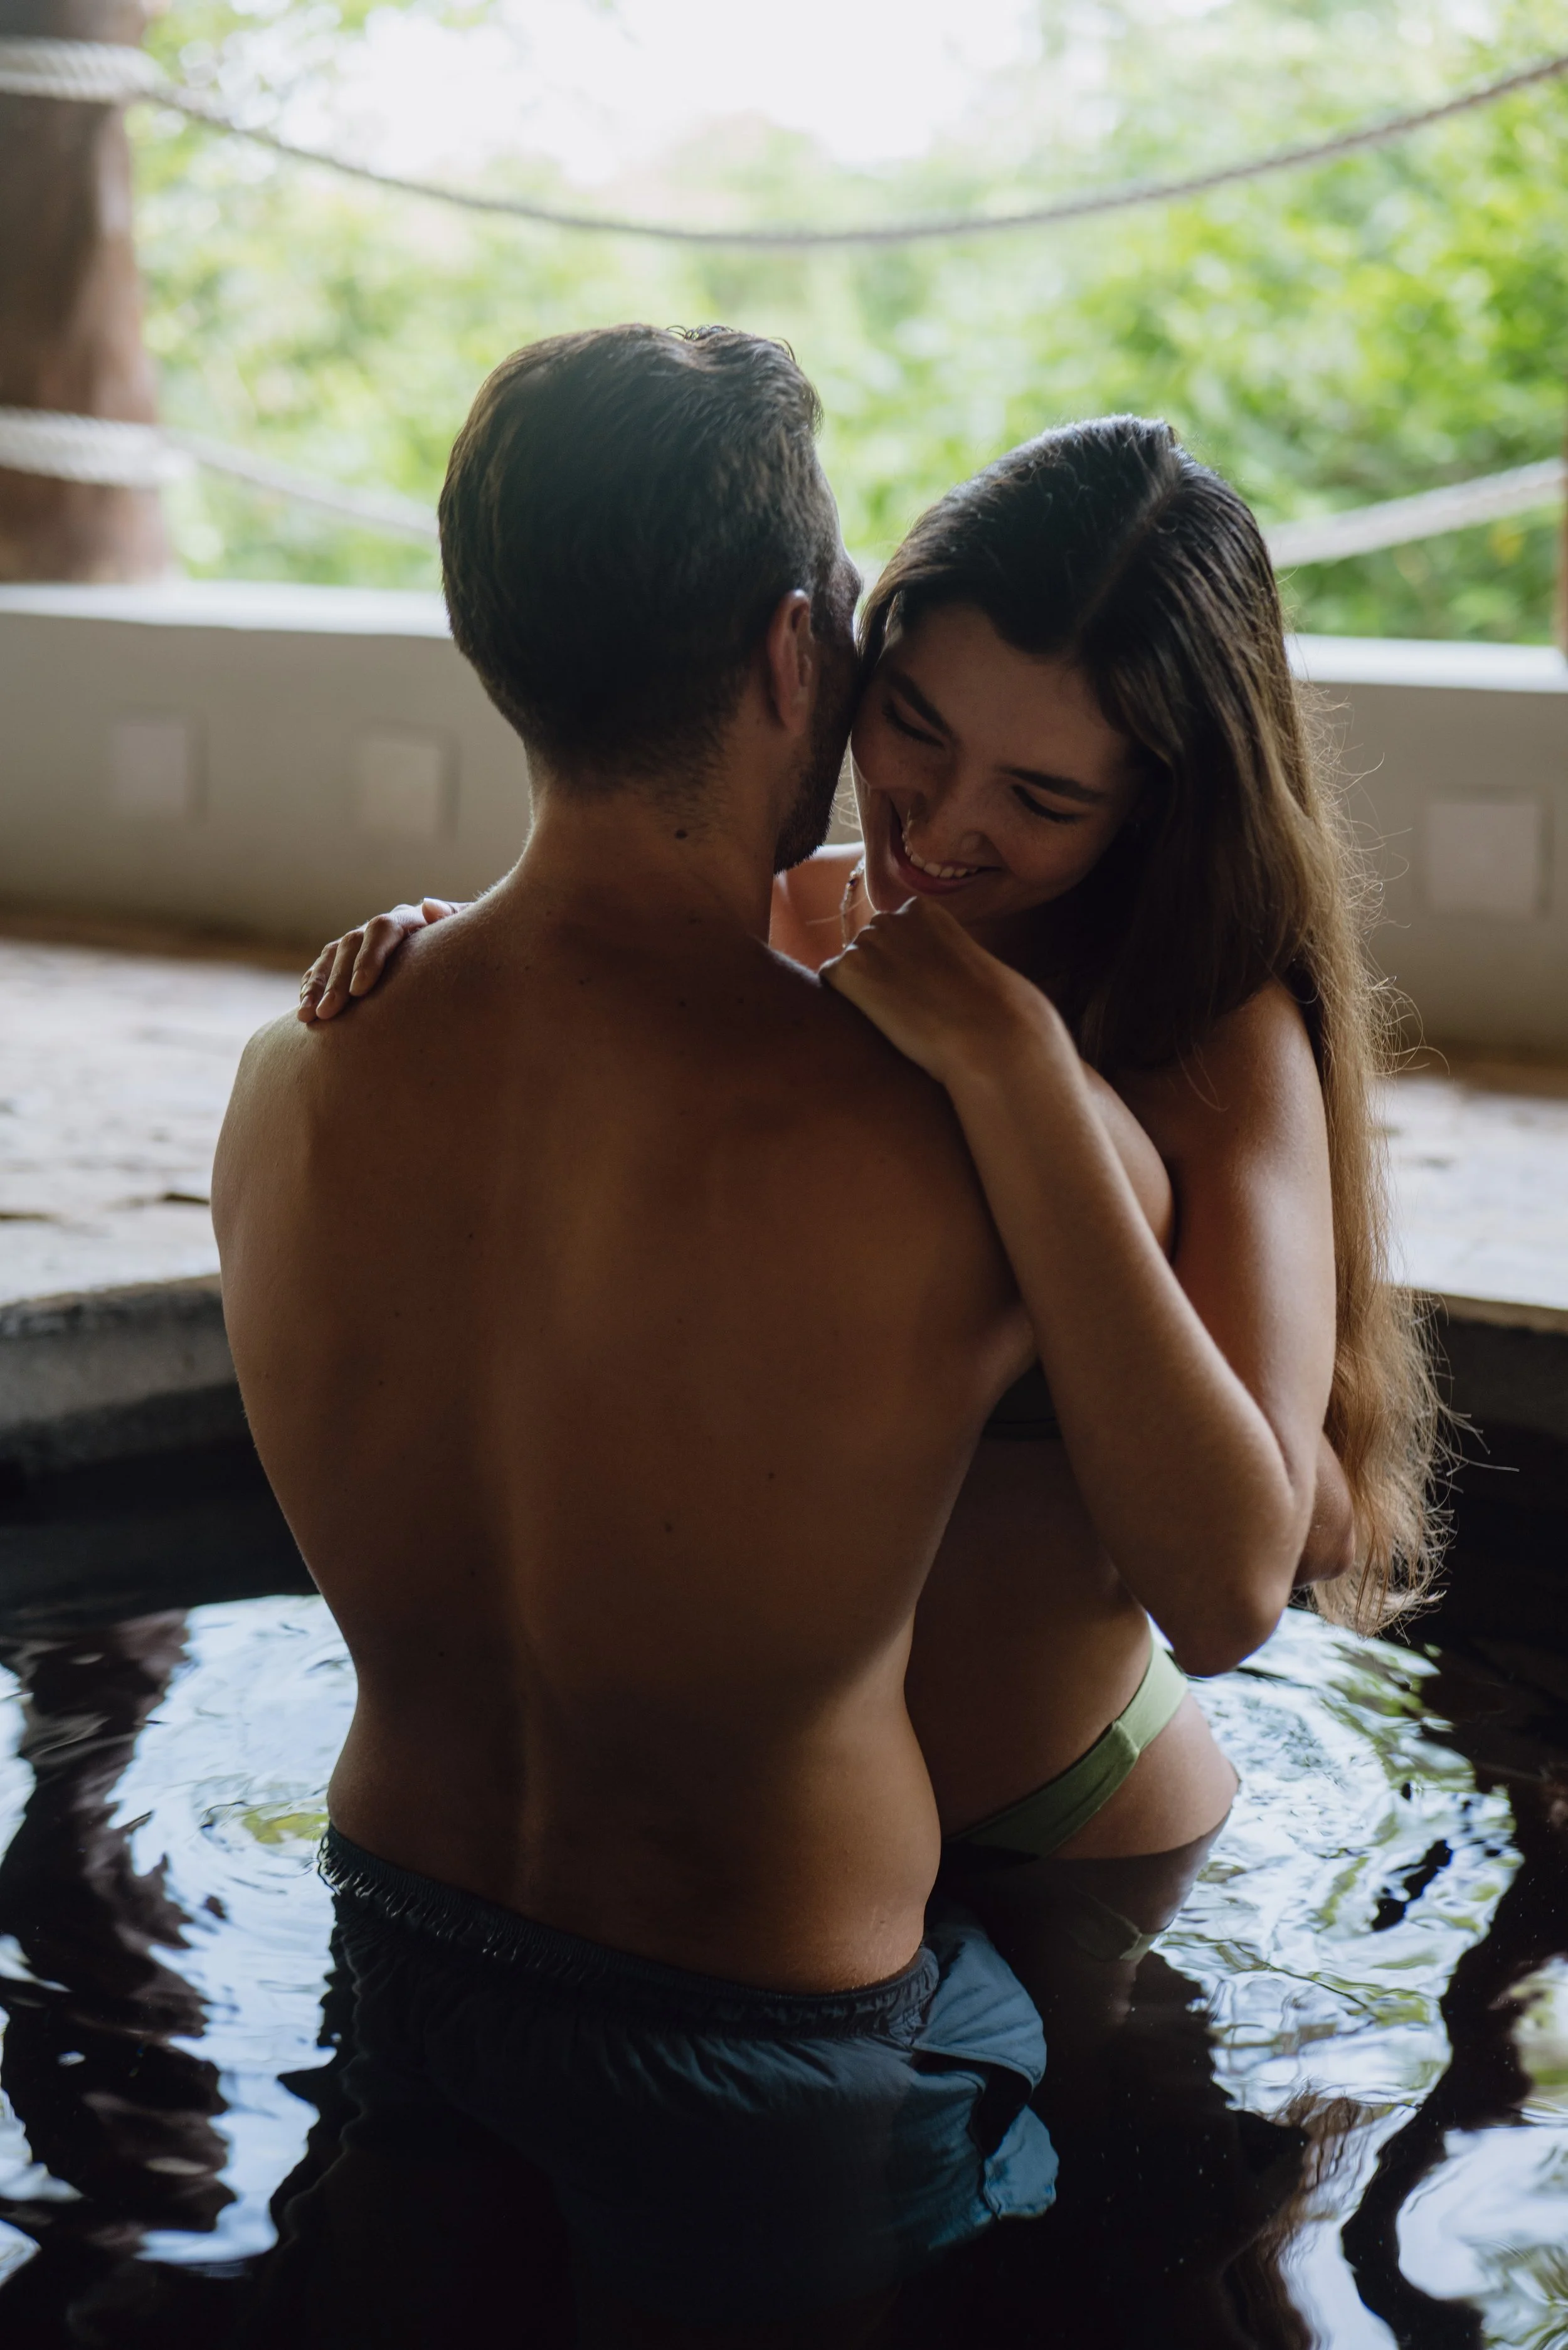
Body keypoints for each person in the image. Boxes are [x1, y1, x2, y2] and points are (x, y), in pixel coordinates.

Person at [216, 324, 1110, 2337]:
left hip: (403, 1942)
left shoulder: (295, 1071)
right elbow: (1223, 1511)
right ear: (799, 653)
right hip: (769, 2028)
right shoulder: (938, 1136)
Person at [304, 413, 1442, 1969]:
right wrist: (463, 958)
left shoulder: (1209, 1034)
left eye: (1043, 799)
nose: (939, 824)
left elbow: (1247, 1575)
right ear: (839, 662)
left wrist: (1019, 1067)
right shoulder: (796, 921)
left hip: (1061, 1835)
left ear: (1159, 803)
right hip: (756, 1873)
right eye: (911, 724)